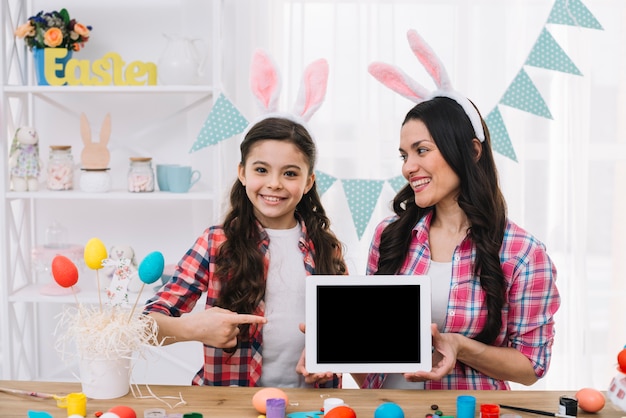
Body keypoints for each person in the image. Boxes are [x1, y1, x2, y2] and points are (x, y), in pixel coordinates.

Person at [353, 94, 561, 390]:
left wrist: (460, 347)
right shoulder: (389, 235)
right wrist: (335, 341)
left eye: (421, 150)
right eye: (404, 156)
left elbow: (531, 366)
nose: (408, 167)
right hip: (388, 409)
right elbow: (371, 341)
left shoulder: (523, 254)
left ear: (472, 151)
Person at [143, 116, 347, 388]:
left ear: (308, 182)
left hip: (310, 403)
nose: (274, 183)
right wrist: (195, 328)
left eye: (290, 173)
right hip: (232, 404)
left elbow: (344, 333)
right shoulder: (216, 242)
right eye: (261, 170)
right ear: (242, 173)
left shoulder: (326, 247)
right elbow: (146, 327)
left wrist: (331, 359)